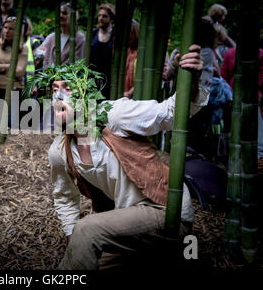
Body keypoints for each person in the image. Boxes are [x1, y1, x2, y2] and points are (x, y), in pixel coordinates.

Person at [46, 45, 208, 270]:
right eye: (54, 89)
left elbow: (168, 114)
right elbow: (64, 196)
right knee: (86, 254)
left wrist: (190, 80)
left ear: (87, 93)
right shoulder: (59, 151)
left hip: (165, 211)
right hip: (124, 224)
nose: (58, 95)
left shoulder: (114, 115)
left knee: (88, 230)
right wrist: (71, 237)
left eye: (68, 88)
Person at [40, 2, 85, 69]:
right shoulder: (52, 37)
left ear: (73, 17)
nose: (61, 16)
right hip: (50, 78)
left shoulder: (79, 38)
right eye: (59, 13)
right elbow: (46, 60)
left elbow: (77, 62)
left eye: (65, 13)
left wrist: (59, 74)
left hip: (68, 78)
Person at [90, 3, 115, 99]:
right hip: (93, 77)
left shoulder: (114, 35)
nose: (100, 18)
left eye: (104, 16)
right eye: (99, 15)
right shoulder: (93, 34)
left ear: (111, 19)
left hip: (110, 78)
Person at [123, 20, 139, 98]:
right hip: (122, 93)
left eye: (130, 33)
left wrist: (130, 92)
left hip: (135, 94)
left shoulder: (141, 52)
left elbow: (141, 77)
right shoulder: (126, 51)